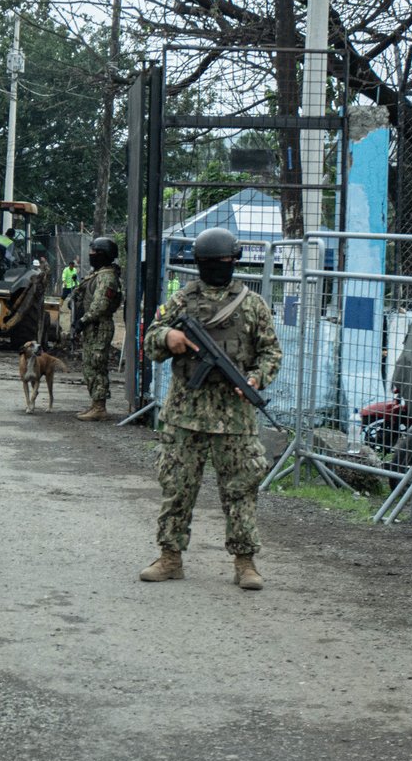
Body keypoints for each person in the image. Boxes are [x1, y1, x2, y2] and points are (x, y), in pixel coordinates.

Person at [140, 226, 282, 592]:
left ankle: (245, 562)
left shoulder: (252, 304)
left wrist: (256, 378)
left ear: (234, 262)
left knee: (241, 490)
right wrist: (168, 337)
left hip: (234, 416)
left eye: (222, 261)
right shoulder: (181, 301)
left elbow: (271, 352)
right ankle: (170, 557)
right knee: (176, 486)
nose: (217, 267)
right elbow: (151, 338)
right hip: (184, 413)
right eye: (210, 262)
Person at [74, 237, 123, 422]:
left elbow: (100, 305)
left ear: (103, 255)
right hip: (93, 326)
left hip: (98, 326)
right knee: (90, 365)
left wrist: (83, 321)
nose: (91, 255)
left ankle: (99, 407)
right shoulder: (98, 274)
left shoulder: (107, 277)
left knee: (96, 364)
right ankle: (95, 403)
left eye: (94, 252)